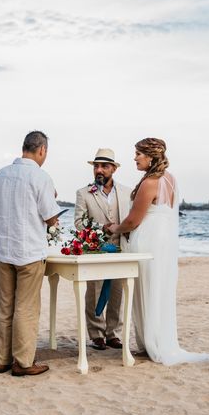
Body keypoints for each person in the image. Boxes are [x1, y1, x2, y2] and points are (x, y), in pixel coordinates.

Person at [106, 138, 209, 365]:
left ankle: (151, 343)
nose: (135, 158)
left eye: (138, 154)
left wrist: (115, 228)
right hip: (163, 242)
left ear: (150, 156)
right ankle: (156, 339)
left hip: (148, 240)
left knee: (145, 288)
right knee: (158, 288)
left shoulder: (149, 182)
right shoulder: (171, 179)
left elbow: (134, 220)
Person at [0, 131, 61, 376]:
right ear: (42, 150)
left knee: (6, 305)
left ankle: (2, 360)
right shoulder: (40, 177)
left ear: (24, 148)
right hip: (28, 251)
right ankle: (23, 362)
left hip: (5, 250)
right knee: (26, 307)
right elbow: (50, 218)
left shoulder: (0, 175)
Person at [74, 148, 131, 351]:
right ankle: (96, 334)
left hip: (120, 248)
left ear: (113, 169)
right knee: (94, 292)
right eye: (96, 166)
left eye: (104, 166)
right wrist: (100, 229)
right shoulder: (83, 193)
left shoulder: (126, 192)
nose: (99, 170)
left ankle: (113, 334)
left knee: (117, 293)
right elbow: (79, 223)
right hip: (96, 249)